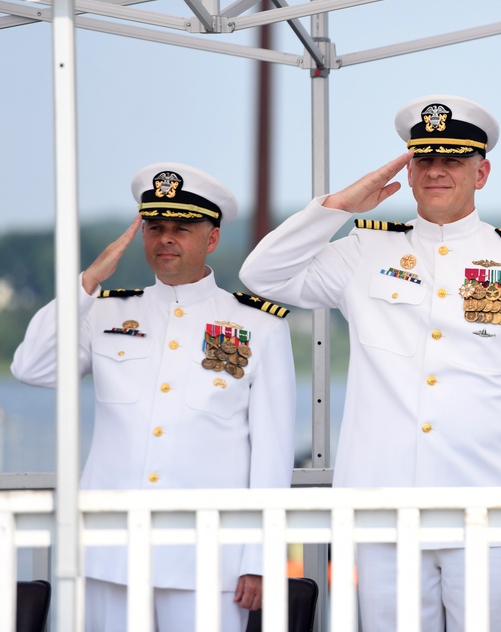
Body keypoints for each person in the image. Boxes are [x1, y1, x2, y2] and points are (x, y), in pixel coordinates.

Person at [239, 94, 501, 632]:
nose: (437, 171)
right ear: (408, 168)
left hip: (491, 513)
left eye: (454, 160)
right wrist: (336, 207)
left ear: (482, 172)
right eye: (424, 159)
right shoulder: (362, 252)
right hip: (384, 511)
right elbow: (262, 275)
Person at [11, 163, 297, 632]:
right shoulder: (103, 312)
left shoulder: (259, 326)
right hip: (110, 552)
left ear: (211, 238)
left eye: (181, 228)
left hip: (209, 556)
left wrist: (260, 557)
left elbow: (272, 452)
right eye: (155, 227)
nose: (166, 238)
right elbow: (32, 368)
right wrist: (83, 285)